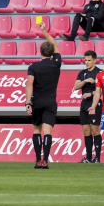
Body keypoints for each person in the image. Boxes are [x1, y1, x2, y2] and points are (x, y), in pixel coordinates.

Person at [26, 21, 61, 169]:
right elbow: (54, 43)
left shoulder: (33, 66)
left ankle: (37, 160)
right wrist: (45, 31)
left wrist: (28, 103)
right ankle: (45, 161)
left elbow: (29, 85)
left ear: (40, 52)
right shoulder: (56, 63)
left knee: (36, 130)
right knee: (48, 132)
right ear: (52, 52)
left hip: (37, 102)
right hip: (51, 102)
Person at [74, 50, 102, 163]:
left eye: (89, 60)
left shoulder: (99, 73)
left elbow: (101, 91)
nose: (87, 62)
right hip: (84, 104)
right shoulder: (82, 73)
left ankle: (98, 158)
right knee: (86, 130)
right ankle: (89, 157)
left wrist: (90, 93)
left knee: (95, 130)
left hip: (94, 103)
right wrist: (85, 80)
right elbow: (76, 86)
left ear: (95, 60)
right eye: (85, 60)